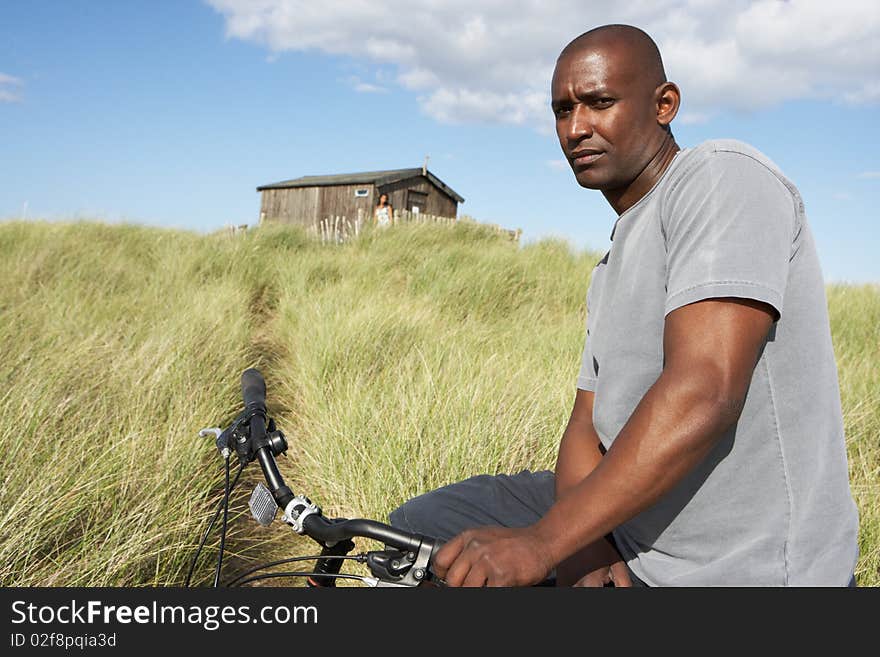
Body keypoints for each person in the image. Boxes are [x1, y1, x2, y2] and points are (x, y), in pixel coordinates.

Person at [388, 24, 860, 587]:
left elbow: (706, 388)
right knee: (419, 527)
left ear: (665, 104)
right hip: (632, 526)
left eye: (600, 102)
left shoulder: (719, 177)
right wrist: (583, 549)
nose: (576, 128)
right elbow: (587, 424)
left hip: (735, 568)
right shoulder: (611, 264)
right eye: (562, 110)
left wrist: (545, 542)